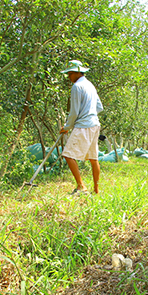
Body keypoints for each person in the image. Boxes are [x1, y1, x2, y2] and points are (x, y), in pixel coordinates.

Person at [59, 60, 103, 194]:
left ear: (77, 73)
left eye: (70, 74)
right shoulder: (90, 85)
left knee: (67, 154)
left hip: (84, 126)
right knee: (93, 158)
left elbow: (74, 112)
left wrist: (67, 127)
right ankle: (96, 191)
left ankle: (81, 186)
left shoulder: (77, 87)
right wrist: (89, 113)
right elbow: (99, 107)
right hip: (94, 124)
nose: (69, 77)